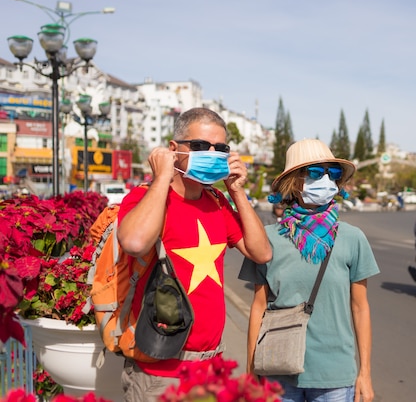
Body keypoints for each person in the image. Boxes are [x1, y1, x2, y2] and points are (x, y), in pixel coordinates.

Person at [116, 107, 272, 401]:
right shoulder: (145, 198)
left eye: (220, 148)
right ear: (173, 150)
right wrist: (162, 177)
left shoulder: (217, 202)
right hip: (160, 372)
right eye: (200, 146)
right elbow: (134, 243)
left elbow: (261, 253)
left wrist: (237, 191)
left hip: (210, 366)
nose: (211, 154)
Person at [238, 139, 379, 402]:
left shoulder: (353, 238)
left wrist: (365, 374)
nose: (326, 179)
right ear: (294, 181)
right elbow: (258, 308)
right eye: (315, 172)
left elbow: (360, 308)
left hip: (335, 378)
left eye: (332, 173)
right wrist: (250, 371)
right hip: (277, 372)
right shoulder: (265, 240)